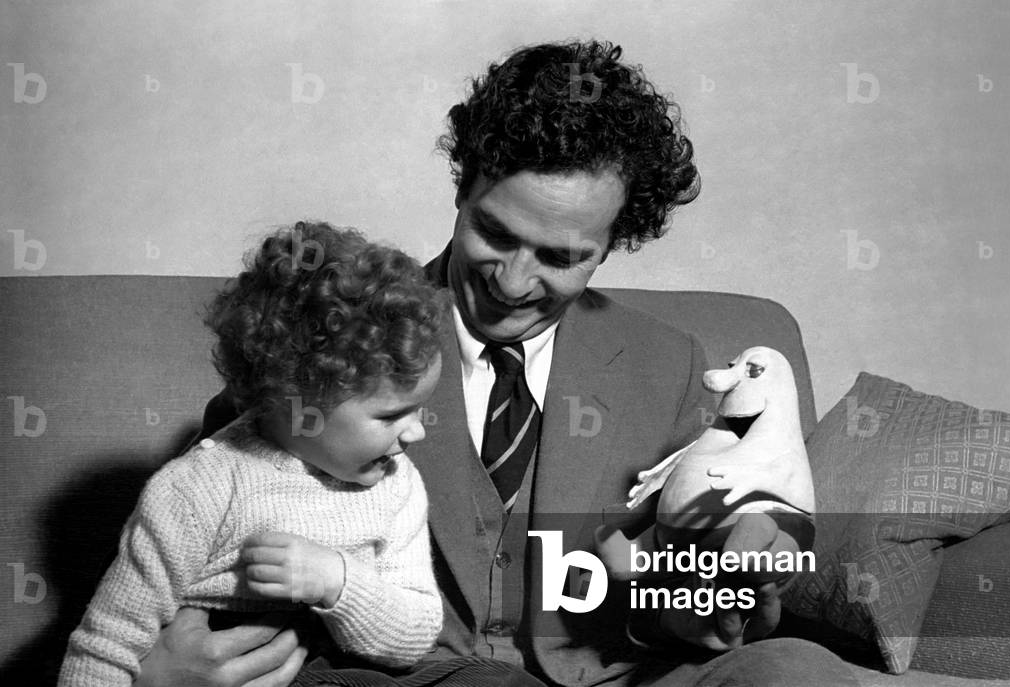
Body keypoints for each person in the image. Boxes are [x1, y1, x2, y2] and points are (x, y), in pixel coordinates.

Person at [135, 42, 858, 687]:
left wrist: (717, 595)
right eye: (494, 232)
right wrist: (158, 667)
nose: (512, 283)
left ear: (612, 244)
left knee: (798, 669)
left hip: (614, 673)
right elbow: (210, 513)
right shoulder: (338, 330)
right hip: (400, 673)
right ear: (462, 189)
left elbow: (684, 598)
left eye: (560, 256)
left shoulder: (670, 363)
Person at [59, 223, 448, 686]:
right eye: (391, 416)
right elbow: (106, 645)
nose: (417, 432)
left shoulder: (397, 483)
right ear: (299, 410)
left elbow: (418, 633)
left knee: (489, 679)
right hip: (232, 669)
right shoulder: (196, 490)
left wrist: (338, 583)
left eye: (419, 409)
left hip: (357, 668)